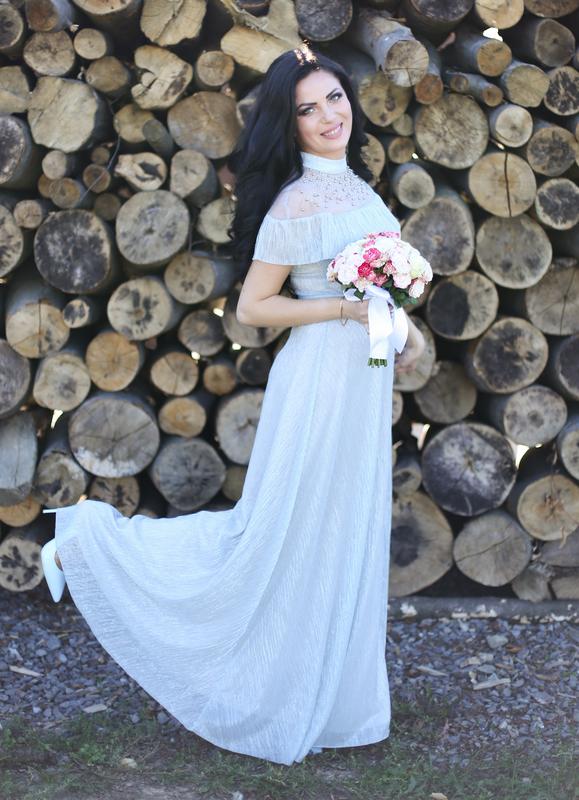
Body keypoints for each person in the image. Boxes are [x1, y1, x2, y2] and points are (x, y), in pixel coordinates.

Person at [41, 46, 425, 766]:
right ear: (290, 123)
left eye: (334, 98)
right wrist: (345, 310)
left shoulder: (358, 186)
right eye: (307, 109)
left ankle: (336, 704)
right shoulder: (295, 203)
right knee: (274, 533)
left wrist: (401, 327)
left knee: (340, 531)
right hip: (318, 382)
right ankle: (88, 544)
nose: (328, 116)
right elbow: (254, 306)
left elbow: (382, 287)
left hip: (362, 383)